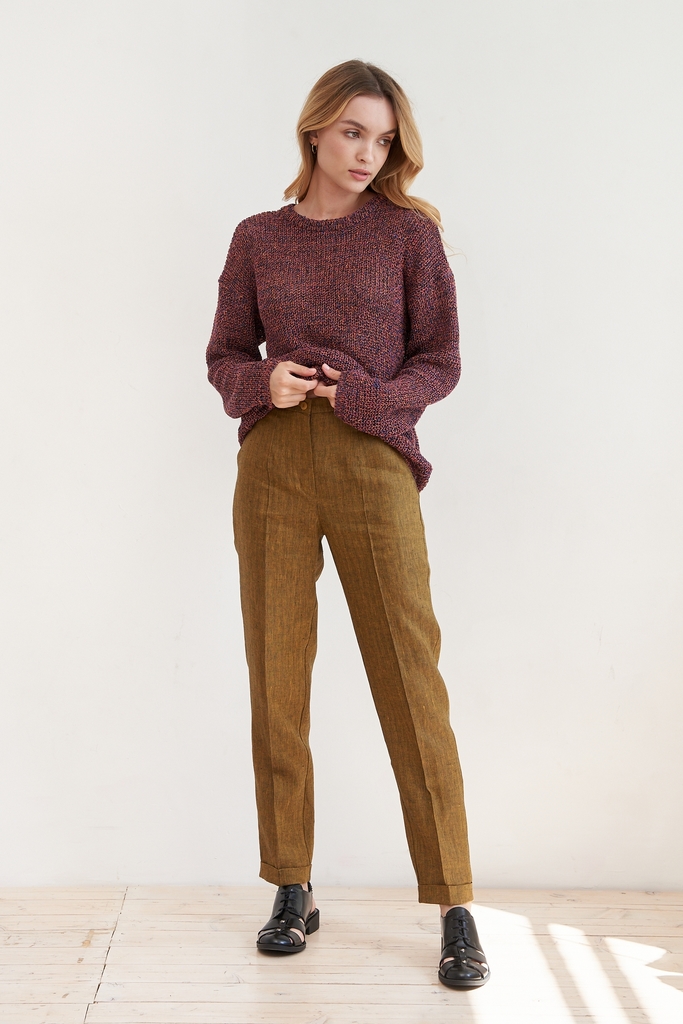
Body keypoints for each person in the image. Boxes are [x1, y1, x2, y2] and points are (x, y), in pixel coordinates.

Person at [206, 59, 490, 989]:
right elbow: (223, 355)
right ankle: (291, 885)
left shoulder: (407, 235)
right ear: (316, 131)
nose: (369, 152)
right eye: (353, 132)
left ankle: (453, 904)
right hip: (274, 468)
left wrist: (367, 400)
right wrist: (264, 382)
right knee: (276, 677)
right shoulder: (258, 237)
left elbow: (440, 359)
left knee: (411, 677)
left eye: (384, 138)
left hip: (374, 464)